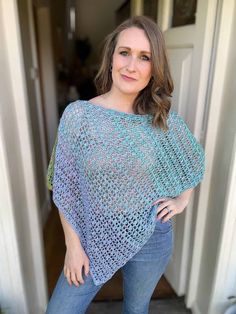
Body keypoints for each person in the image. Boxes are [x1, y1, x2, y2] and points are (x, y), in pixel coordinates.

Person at [45, 15, 205, 314]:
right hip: (92, 233)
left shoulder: (161, 120)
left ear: (154, 68)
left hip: (151, 234)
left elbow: (193, 161)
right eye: (125, 53)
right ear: (111, 58)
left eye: (144, 57)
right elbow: (65, 188)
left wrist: (183, 199)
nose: (131, 66)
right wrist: (73, 246)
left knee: (136, 310)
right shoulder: (79, 116)